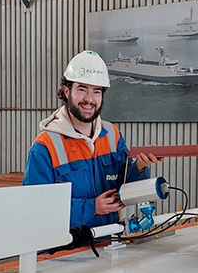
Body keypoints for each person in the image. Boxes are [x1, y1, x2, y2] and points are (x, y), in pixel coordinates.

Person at [23, 50, 162, 233]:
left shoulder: (112, 135)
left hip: (110, 242)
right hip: (65, 253)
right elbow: (35, 207)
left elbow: (123, 185)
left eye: (96, 91)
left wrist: (139, 167)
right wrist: (91, 207)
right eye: (82, 89)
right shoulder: (46, 146)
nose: (89, 99)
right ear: (67, 91)